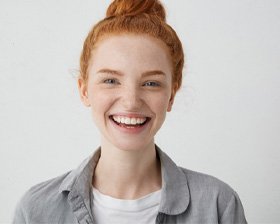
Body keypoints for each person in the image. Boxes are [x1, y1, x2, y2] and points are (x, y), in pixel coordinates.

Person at [13, 0, 247, 223]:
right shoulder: (36, 210)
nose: (131, 102)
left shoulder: (218, 205)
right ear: (84, 90)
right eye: (111, 80)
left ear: (172, 94)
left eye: (151, 83)